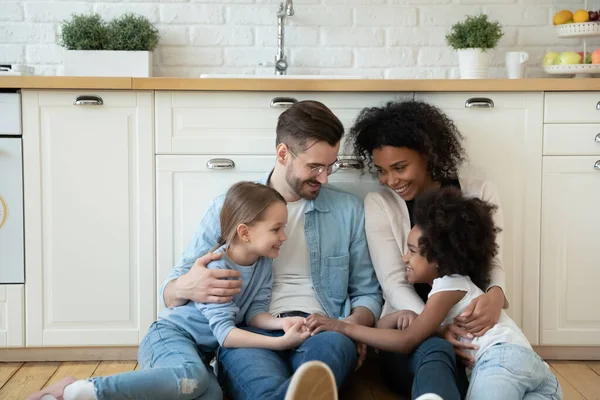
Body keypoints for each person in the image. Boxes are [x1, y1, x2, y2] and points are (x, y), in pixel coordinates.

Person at [159, 100, 383, 399]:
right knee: (267, 387)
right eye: (314, 166)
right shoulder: (231, 207)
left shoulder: (347, 211)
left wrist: (350, 327)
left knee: (327, 357)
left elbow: (367, 292)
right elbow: (169, 293)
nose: (324, 178)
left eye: (330, 167)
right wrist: (188, 285)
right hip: (249, 333)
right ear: (282, 154)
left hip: (321, 329)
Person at [29, 181, 315, 400]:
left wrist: (280, 323)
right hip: (169, 338)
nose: (284, 236)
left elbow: (254, 314)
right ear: (245, 232)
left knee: (211, 394)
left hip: (197, 353)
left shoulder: (263, 264)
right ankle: (81, 390)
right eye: (277, 229)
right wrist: (279, 342)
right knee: (192, 376)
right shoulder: (219, 269)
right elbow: (226, 335)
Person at [307, 188, 562, 400]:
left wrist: (343, 327)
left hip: (499, 360)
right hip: (534, 369)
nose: (404, 257)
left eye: (412, 251)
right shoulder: (452, 288)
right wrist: (399, 317)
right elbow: (387, 328)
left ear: (439, 258)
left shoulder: (447, 287)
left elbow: (407, 340)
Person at [344, 100, 509, 400]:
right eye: (381, 170)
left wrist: (496, 296)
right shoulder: (380, 204)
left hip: (472, 325)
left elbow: (493, 262)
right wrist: (434, 327)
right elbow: (394, 283)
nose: (391, 180)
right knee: (436, 353)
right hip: (410, 325)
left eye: (400, 167)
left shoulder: (479, 193)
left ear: (428, 155)